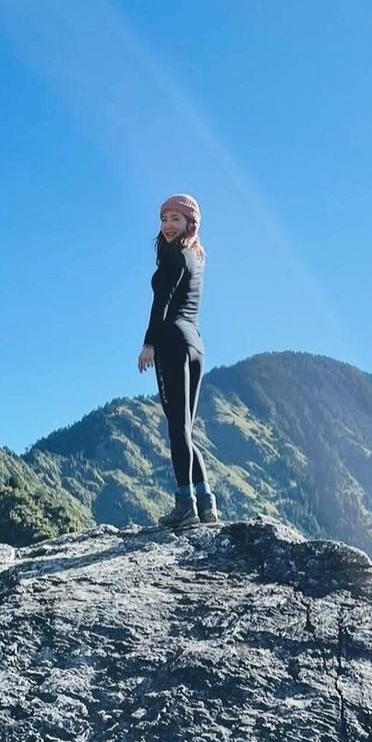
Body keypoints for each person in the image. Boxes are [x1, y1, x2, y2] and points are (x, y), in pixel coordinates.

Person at [137, 193, 220, 529]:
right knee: (185, 429)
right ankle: (207, 504)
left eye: (175, 219)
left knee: (176, 428)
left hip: (172, 342)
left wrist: (148, 344)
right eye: (164, 219)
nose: (168, 226)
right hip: (196, 346)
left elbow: (162, 305)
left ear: (190, 223)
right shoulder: (196, 258)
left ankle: (184, 504)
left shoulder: (175, 255)